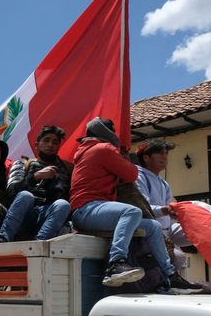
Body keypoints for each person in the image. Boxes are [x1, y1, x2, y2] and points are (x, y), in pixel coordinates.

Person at [69, 117, 201, 293]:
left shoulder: (87, 151)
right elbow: (131, 175)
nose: (164, 157)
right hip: (88, 210)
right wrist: (122, 157)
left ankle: (170, 275)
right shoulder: (104, 148)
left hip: (91, 212)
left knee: (153, 226)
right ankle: (116, 264)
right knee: (132, 211)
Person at [0, 127, 72, 244]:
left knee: (63, 205)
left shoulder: (66, 170)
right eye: (46, 140)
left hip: (47, 216)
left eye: (55, 142)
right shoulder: (22, 164)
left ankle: (39, 243)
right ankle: (3, 238)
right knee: (25, 195)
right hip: (22, 215)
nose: (50, 145)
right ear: (36, 144)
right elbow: (12, 192)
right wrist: (35, 177)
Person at [135, 139, 191, 269]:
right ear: (146, 157)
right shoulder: (138, 176)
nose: (165, 157)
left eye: (166, 153)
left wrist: (177, 214)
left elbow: (168, 211)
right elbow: (143, 209)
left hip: (167, 230)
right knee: (179, 257)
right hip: (149, 231)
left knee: (200, 229)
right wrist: (166, 210)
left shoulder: (163, 183)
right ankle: (166, 284)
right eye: (160, 153)